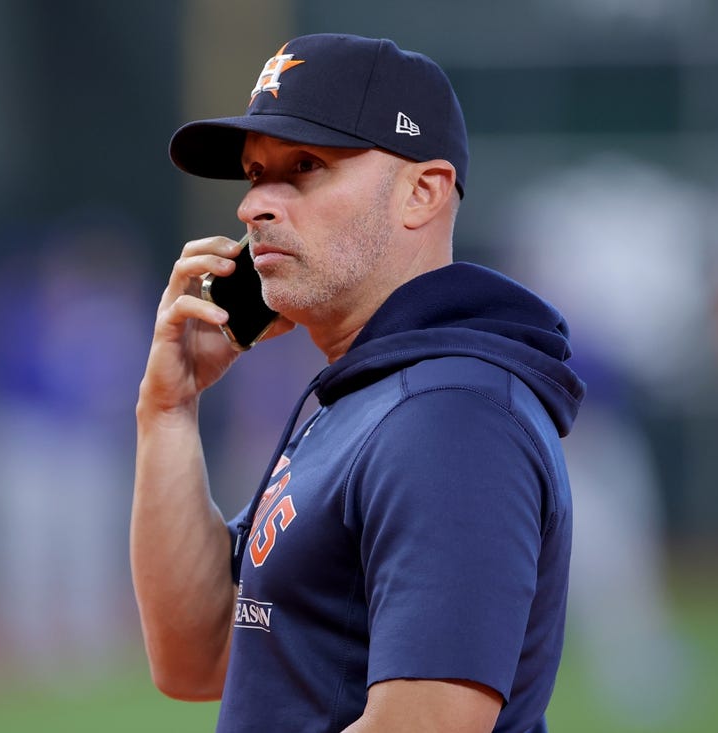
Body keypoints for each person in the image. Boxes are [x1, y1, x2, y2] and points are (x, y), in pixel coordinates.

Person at [130, 33, 585, 733]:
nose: (255, 208)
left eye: (305, 165)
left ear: (423, 192)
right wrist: (169, 410)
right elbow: (199, 656)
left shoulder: (452, 417)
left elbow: (423, 726)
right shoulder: (368, 395)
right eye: (255, 175)